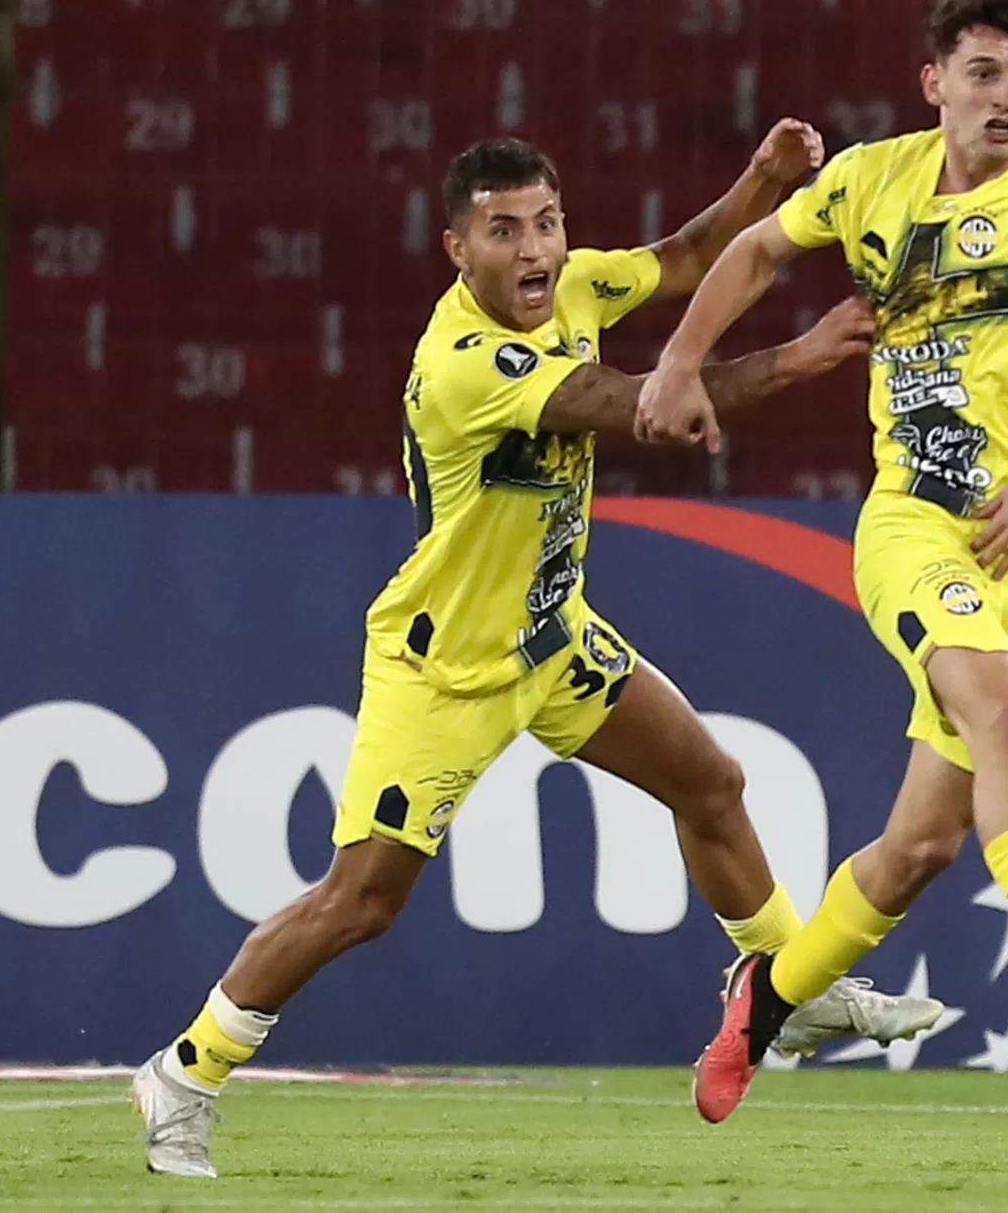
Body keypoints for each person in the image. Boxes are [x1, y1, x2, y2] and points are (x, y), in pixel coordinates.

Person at [132, 124, 943, 1176]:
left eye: (547, 224)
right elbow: (640, 407)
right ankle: (185, 1073)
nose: (534, 251)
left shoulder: (575, 288)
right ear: (455, 249)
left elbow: (689, 258)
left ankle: (784, 988)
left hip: (550, 637)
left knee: (710, 782)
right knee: (362, 902)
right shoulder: (465, 364)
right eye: (503, 230)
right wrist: (797, 356)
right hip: (450, 666)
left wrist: (762, 181)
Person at [636, 0, 1008, 1124]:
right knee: (1000, 723)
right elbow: (750, 255)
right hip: (914, 522)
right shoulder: (870, 179)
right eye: (984, 73)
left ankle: (766, 1003)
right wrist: (683, 361)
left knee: (923, 843)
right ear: (935, 84)